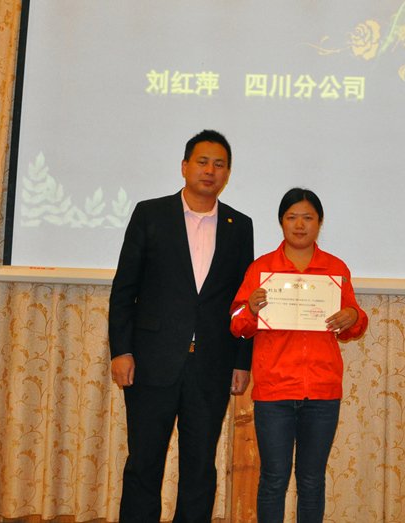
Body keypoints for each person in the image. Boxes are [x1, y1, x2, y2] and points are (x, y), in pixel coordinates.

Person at [108, 130, 254, 522]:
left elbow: (243, 302)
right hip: (151, 362)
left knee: (200, 469)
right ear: (185, 166)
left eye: (219, 164)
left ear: (227, 173)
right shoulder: (150, 214)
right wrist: (121, 351)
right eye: (202, 162)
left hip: (211, 366)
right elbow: (125, 289)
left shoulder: (240, 225)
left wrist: (241, 361)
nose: (210, 170)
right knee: (144, 464)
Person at [229, 188, 368, 523]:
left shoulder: (335, 268)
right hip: (274, 392)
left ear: (320, 222)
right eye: (292, 217)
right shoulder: (262, 269)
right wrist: (251, 308)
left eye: (308, 217)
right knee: (273, 479)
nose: (300, 225)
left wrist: (353, 315)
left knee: (311, 481)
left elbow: (354, 324)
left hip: (322, 392)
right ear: (281, 222)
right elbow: (237, 325)